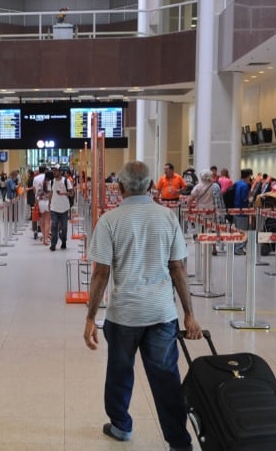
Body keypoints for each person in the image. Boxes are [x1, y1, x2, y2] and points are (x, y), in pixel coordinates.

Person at [83, 160, 202, 450]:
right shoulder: (167, 218)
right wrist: (189, 314)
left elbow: (101, 273)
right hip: (161, 314)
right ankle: (178, 442)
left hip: (123, 315)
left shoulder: (110, 221)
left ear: (119, 187)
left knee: (119, 372)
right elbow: (177, 268)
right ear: (151, 186)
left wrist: (90, 318)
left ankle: (121, 425)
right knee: (166, 379)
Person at [190, 171, 226, 254]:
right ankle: (213, 247)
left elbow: (191, 197)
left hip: (200, 212)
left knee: (201, 230)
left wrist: (189, 208)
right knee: (212, 230)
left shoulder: (198, 187)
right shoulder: (215, 186)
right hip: (212, 212)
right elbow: (220, 200)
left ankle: (202, 247)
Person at [48, 165, 74, 251]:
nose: (54, 172)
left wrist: (62, 193)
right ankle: (53, 244)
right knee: (54, 226)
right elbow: (51, 193)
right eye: (53, 170)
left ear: (60, 171)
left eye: (55, 170)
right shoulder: (51, 182)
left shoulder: (66, 181)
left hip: (64, 208)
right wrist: (49, 204)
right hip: (54, 208)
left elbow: (72, 193)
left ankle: (63, 241)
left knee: (64, 227)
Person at [232, 168, 253, 255]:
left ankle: (236, 247)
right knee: (242, 230)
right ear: (248, 176)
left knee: (237, 229)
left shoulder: (237, 183)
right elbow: (245, 198)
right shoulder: (245, 186)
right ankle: (239, 248)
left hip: (235, 209)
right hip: (242, 210)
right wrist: (250, 196)